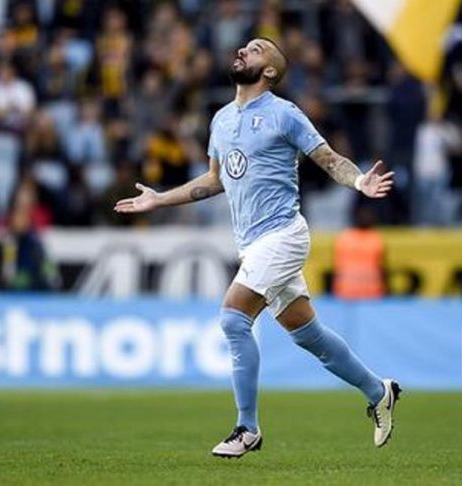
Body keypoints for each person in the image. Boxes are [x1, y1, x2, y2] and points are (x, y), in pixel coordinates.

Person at [115, 38, 400, 458]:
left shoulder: (284, 113)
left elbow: (329, 158)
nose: (244, 50)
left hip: (283, 234)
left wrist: (359, 181)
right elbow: (214, 181)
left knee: (233, 319)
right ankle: (379, 391)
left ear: (269, 71)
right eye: (245, 47)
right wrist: (160, 199)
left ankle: (247, 428)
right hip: (252, 245)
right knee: (308, 335)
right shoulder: (221, 119)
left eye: (257, 49)